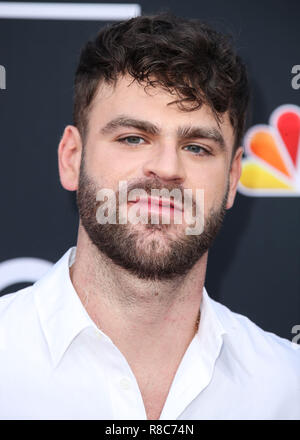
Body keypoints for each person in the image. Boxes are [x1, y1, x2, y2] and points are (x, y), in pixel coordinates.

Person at [0, 13, 299, 421]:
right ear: (72, 158)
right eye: (134, 138)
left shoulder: (286, 386)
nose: (166, 168)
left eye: (196, 147)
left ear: (232, 179)